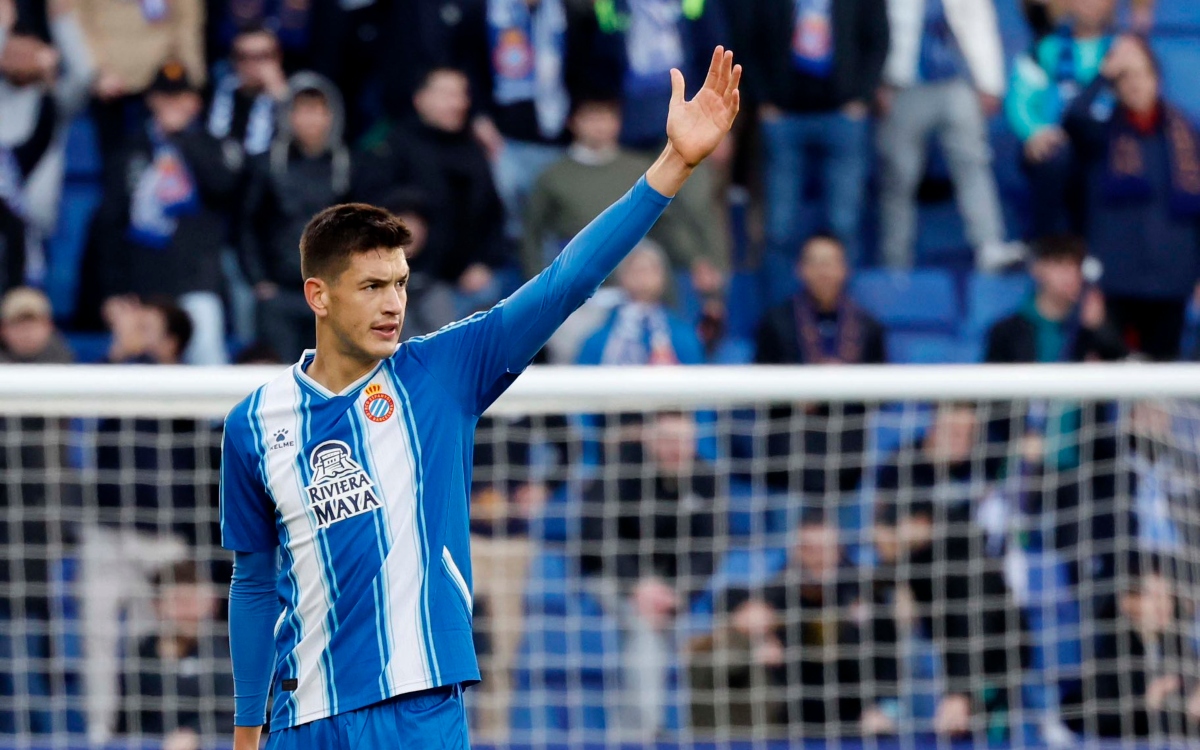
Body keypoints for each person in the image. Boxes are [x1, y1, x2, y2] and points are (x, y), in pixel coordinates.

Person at [219, 47, 741, 750]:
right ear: (318, 295)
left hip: (419, 708)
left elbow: (565, 282)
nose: (393, 304)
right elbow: (253, 584)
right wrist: (248, 730)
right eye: (372, 286)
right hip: (299, 718)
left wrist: (670, 168)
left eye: (401, 284)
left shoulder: (441, 371)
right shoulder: (254, 423)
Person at [82, 296, 215, 743]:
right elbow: (85, 396)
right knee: (96, 637)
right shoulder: (118, 373)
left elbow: (180, 411)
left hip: (163, 538)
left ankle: (155, 733)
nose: (140, 334)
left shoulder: (186, 385)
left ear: (173, 340)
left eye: (150, 328)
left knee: (155, 641)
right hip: (107, 533)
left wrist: (135, 354)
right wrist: (121, 351)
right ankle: (100, 734)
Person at [691, 510, 897, 736]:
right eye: (810, 549)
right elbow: (731, 600)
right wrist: (758, 635)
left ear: (839, 549)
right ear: (796, 551)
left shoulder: (863, 594)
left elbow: (889, 662)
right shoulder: (782, 591)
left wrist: (885, 709)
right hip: (791, 720)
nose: (818, 557)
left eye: (825, 549)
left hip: (856, 719)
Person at [579, 412, 719, 736]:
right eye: (669, 440)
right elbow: (597, 534)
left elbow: (710, 550)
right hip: (613, 577)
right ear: (650, 439)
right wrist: (638, 586)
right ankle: (644, 733)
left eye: (684, 441)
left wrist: (676, 593)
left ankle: (650, 731)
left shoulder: (706, 479)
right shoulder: (620, 467)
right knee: (644, 628)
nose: (677, 449)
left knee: (673, 633)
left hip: (673, 588)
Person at [1064, 35, 1200, 361]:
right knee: (1099, 384)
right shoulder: (1103, 135)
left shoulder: (1188, 137)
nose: (1135, 85)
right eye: (1125, 78)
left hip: (1173, 282)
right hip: (1115, 282)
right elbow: (1073, 118)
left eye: (1141, 74)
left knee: (1158, 391)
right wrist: (1105, 72)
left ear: (1157, 79)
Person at [92, 62, 238, 365]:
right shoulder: (130, 150)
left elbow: (223, 190)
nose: (173, 104)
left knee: (208, 358)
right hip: (142, 283)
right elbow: (110, 222)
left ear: (195, 102)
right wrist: (113, 290)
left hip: (197, 279)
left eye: (181, 96)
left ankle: (213, 417)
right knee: (131, 367)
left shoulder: (212, 145)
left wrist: (182, 139)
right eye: (165, 96)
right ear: (151, 100)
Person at [523, 96, 726, 293]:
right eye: (592, 117)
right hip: (579, 286)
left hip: (638, 285)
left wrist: (695, 260)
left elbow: (666, 224)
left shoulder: (642, 169)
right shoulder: (552, 176)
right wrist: (539, 287)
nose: (600, 125)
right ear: (573, 122)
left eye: (607, 116)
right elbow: (532, 233)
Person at [878, 0, 1023, 271]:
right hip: (903, 84)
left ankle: (989, 245)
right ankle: (895, 260)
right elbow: (873, 24)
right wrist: (878, 81)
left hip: (956, 81)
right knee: (898, 175)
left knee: (973, 162)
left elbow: (980, 24)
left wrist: (990, 82)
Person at [745, 0, 889, 268]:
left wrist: (862, 97)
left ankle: (845, 309)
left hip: (843, 113)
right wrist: (764, 99)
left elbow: (878, 39)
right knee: (779, 226)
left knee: (844, 223)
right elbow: (748, 42)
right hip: (784, 115)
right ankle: (780, 307)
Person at [463, 0, 617, 240]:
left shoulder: (572, 11)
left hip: (559, 136)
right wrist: (479, 116)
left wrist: (581, 120)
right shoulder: (483, 10)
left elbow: (587, 68)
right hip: (504, 139)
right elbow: (469, 62)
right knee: (512, 223)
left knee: (561, 222)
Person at [359, 67, 509, 305]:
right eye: (448, 94)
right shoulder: (393, 146)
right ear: (420, 99)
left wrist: (483, 264)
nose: (458, 103)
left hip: (469, 281)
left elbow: (493, 216)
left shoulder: (472, 150)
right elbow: (369, 204)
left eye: (462, 94)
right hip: (409, 282)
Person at [753, 233, 885, 495]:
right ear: (800, 269)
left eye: (831, 262)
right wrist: (796, 393)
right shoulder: (776, 322)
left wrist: (846, 384)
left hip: (848, 462)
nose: (824, 271)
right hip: (789, 457)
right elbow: (756, 389)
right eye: (816, 263)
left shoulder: (868, 326)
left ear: (844, 269)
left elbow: (883, 394)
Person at [240, 72, 355, 362]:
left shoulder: (348, 166)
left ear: (332, 115)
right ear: (287, 115)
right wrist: (259, 280)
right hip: (279, 291)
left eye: (318, 110)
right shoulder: (266, 165)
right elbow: (247, 225)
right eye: (302, 110)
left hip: (332, 295)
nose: (311, 120)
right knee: (279, 380)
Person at [1006, 0, 1115, 237]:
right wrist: (1033, 132)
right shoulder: (1045, 50)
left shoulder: (1123, 51)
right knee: (1054, 153)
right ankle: (1049, 246)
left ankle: (1096, 245)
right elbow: (1020, 100)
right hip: (1056, 143)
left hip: (1103, 145)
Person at [0, 0, 94, 271]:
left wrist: (61, 21)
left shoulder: (53, 102)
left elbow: (85, 76)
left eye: (30, 50)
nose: (21, 57)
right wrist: (3, 28)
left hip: (33, 225)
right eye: (12, 51)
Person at [1062, 554, 1200, 739]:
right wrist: (1146, 704)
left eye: (1167, 596)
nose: (1163, 605)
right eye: (1153, 596)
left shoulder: (1180, 649)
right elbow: (1094, 720)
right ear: (1128, 601)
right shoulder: (1111, 655)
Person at [118, 561, 235, 743]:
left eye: (196, 602)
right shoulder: (142, 654)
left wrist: (195, 734)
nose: (190, 611)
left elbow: (234, 717)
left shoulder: (218, 654)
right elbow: (125, 724)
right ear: (157, 605)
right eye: (180, 602)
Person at [592, 0, 727, 150]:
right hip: (628, 112)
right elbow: (598, 59)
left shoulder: (696, 3)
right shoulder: (608, 4)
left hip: (688, 106)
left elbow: (715, 54)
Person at [985, 234, 1127, 364]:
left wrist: (1099, 328)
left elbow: (1123, 366)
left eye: (1075, 266)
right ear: (1038, 268)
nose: (1069, 274)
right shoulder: (1007, 330)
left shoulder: (1091, 328)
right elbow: (992, 383)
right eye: (1059, 264)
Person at [576, 241, 705, 366]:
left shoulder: (682, 336)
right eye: (635, 270)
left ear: (663, 277)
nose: (643, 277)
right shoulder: (599, 340)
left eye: (650, 269)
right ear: (622, 276)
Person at [207, 25, 289, 161]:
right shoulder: (217, 96)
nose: (251, 64)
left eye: (262, 56)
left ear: (278, 58)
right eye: (242, 56)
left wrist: (282, 97)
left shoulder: (296, 96)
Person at [0, 285, 71, 362]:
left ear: (49, 327)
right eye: (18, 325)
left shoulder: (67, 365)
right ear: (3, 329)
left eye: (32, 326)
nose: (26, 333)